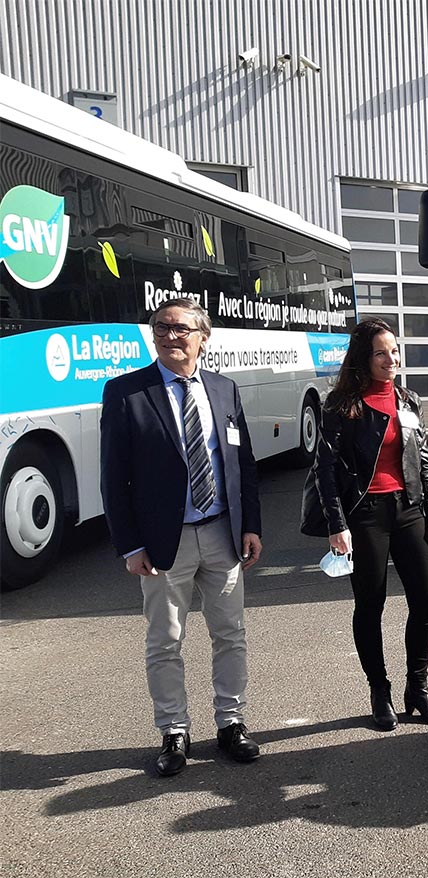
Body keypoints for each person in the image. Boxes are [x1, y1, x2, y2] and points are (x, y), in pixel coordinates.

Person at [100, 297, 263, 777]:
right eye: (161, 328)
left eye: (181, 329)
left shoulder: (224, 389)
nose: (171, 336)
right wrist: (130, 545)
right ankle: (174, 731)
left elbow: (242, 465)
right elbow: (114, 478)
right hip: (161, 543)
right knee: (165, 640)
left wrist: (250, 524)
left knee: (230, 634)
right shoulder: (127, 393)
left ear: (203, 337)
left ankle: (231, 723)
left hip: (221, 534)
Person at [302, 317, 428, 730]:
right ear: (363, 359)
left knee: (425, 599)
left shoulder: (408, 401)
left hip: (409, 511)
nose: (391, 359)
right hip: (365, 515)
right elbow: (326, 471)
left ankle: (417, 688)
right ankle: (379, 689)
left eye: (395, 351)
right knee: (371, 604)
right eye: (381, 352)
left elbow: (421, 462)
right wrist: (337, 524)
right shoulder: (342, 406)